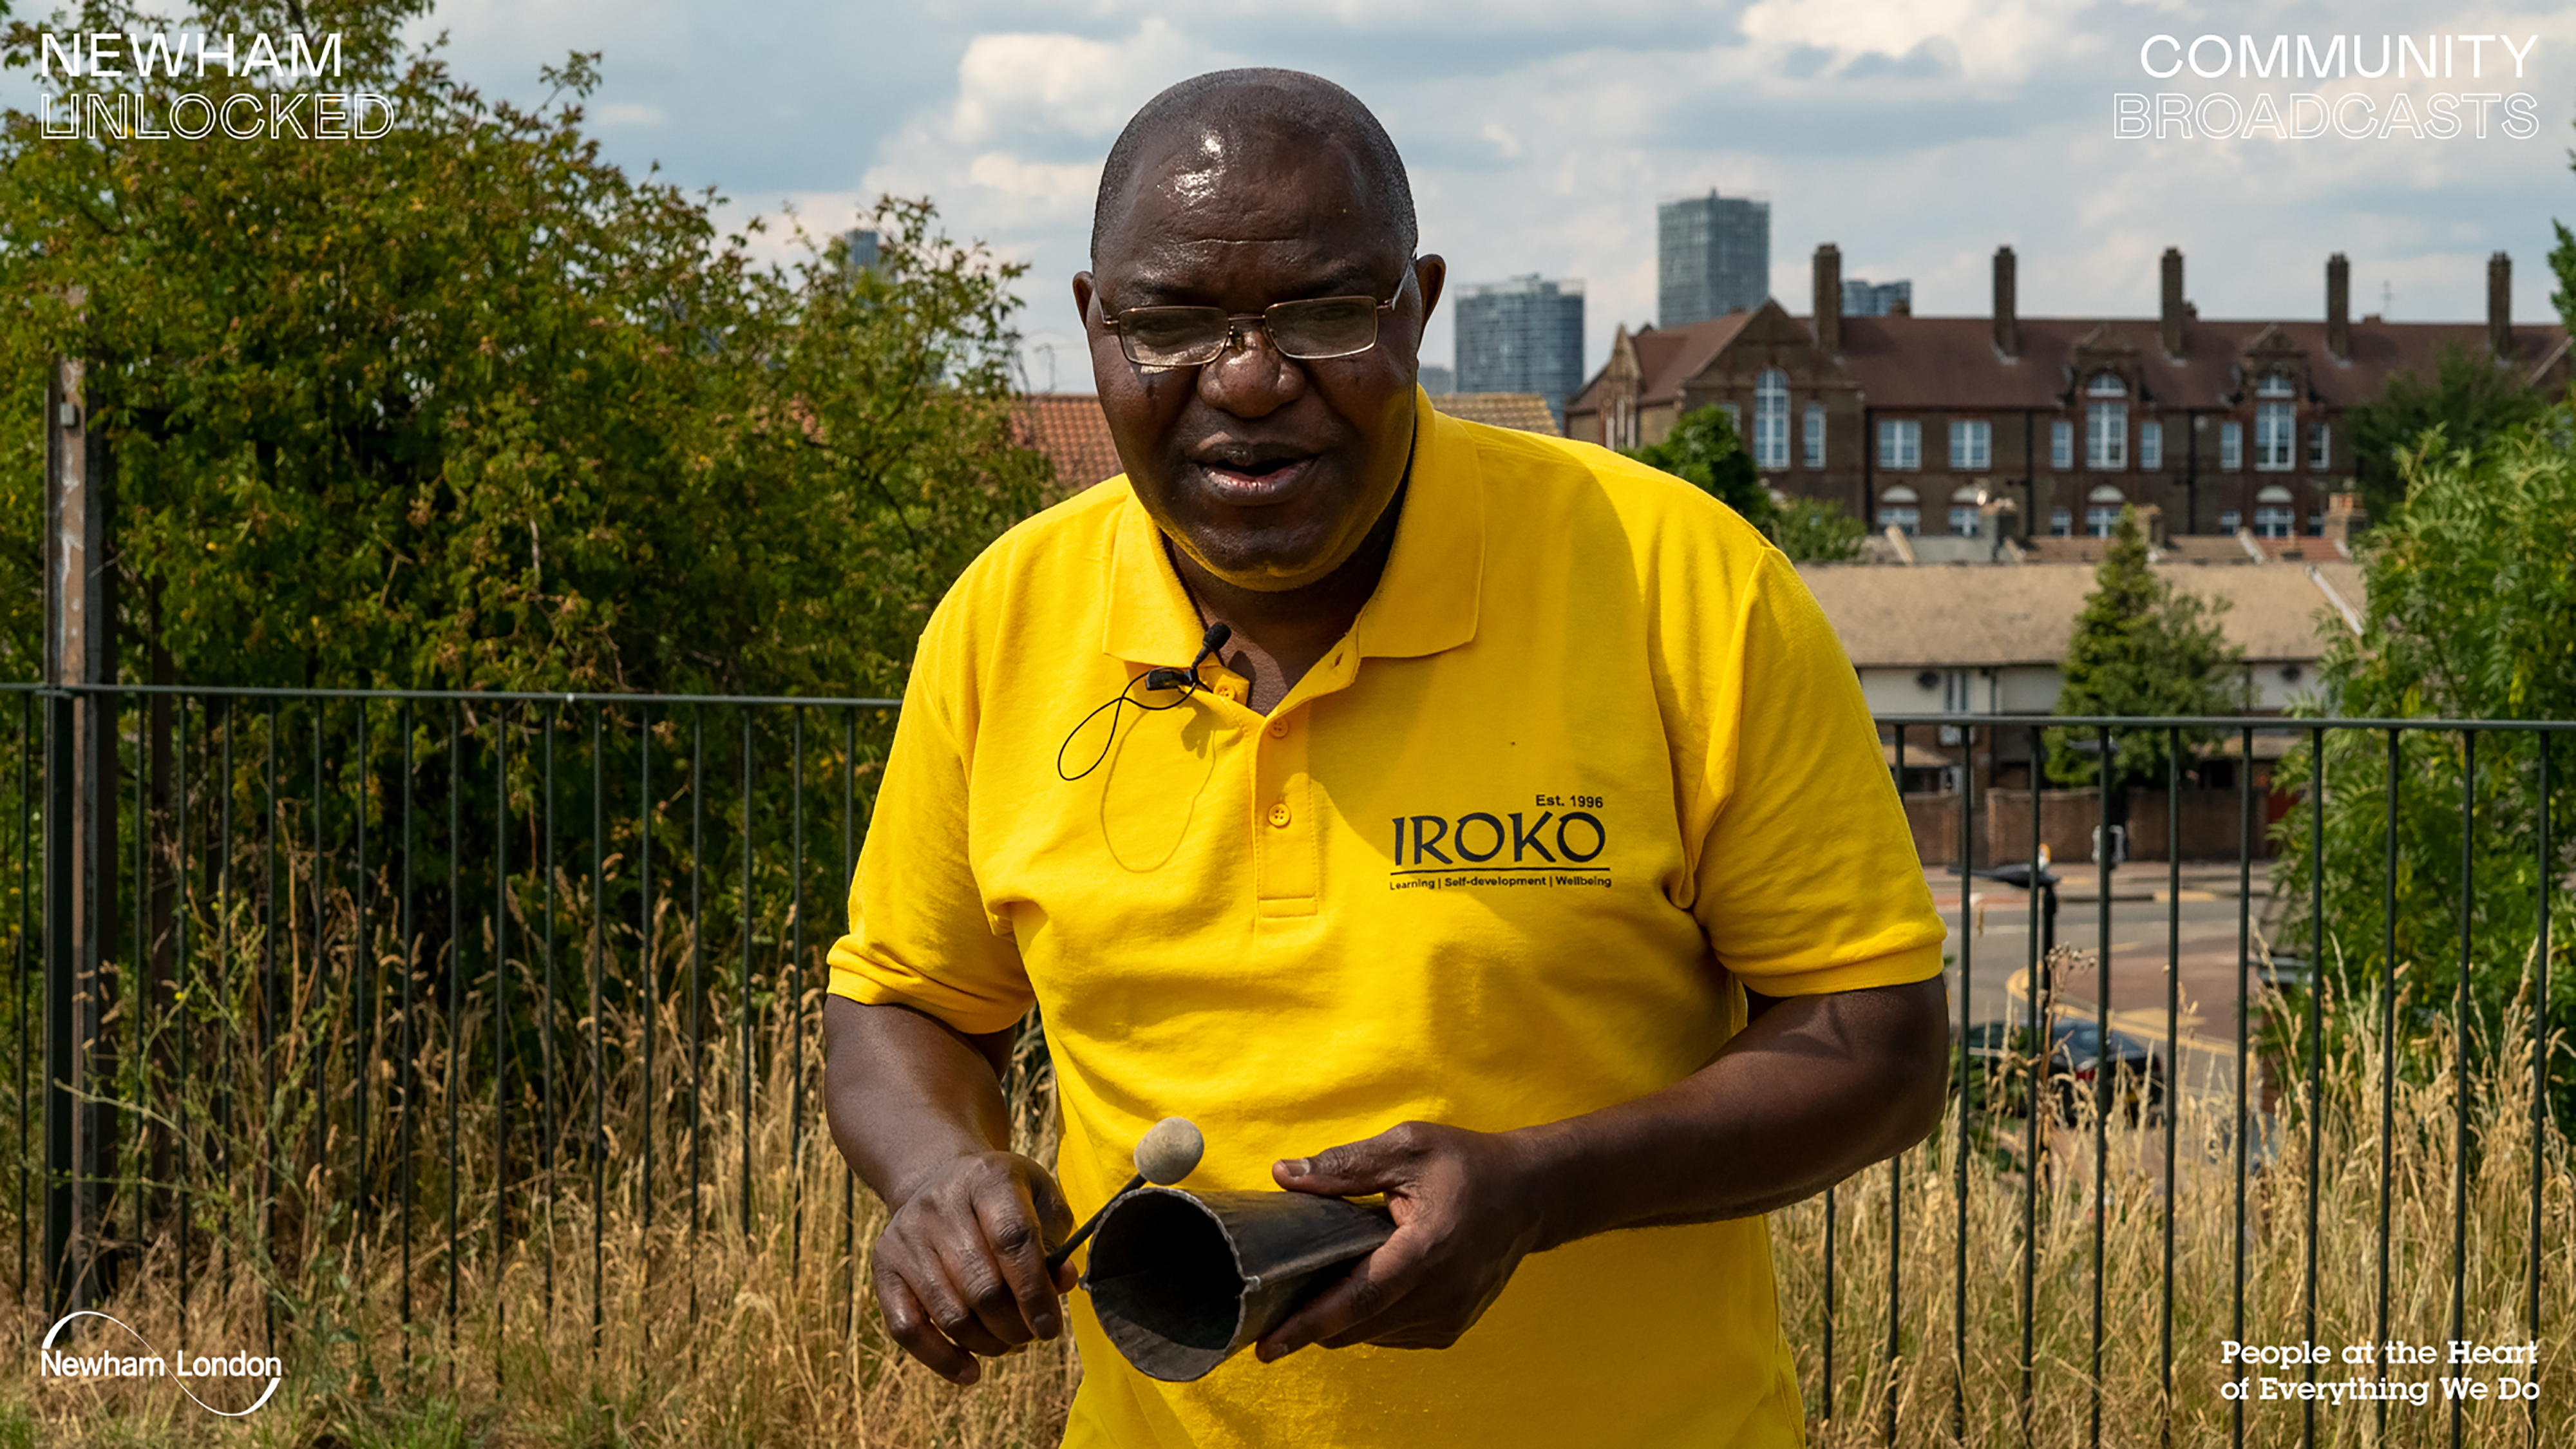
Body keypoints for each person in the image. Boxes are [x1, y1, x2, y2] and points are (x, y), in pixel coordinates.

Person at [822, 68, 1950, 1448]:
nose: (1245, 378)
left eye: (1321, 313)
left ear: (1413, 308)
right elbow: (904, 1004)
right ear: (1092, 325)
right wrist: (939, 1174)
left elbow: (1880, 1047)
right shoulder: (1007, 619)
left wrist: (1544, 1188)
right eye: (1172, 322)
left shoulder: (1679, 584)